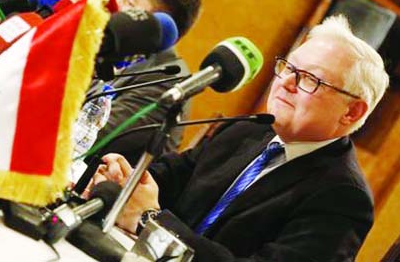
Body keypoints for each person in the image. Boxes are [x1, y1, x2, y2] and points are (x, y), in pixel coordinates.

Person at [86, 15, 390, 261]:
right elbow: (172, 176)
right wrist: (127, 179)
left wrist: (149, 221)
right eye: (288, 68)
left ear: (352, 112)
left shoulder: (343, 198)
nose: (285, 83)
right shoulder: (249, 128)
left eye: (310, 79)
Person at [86, 0, 202, 164]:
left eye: (129, 1)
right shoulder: (119, 52)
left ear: (161, 23)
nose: (115, 4)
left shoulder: (167, 79)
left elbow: (94, 137)